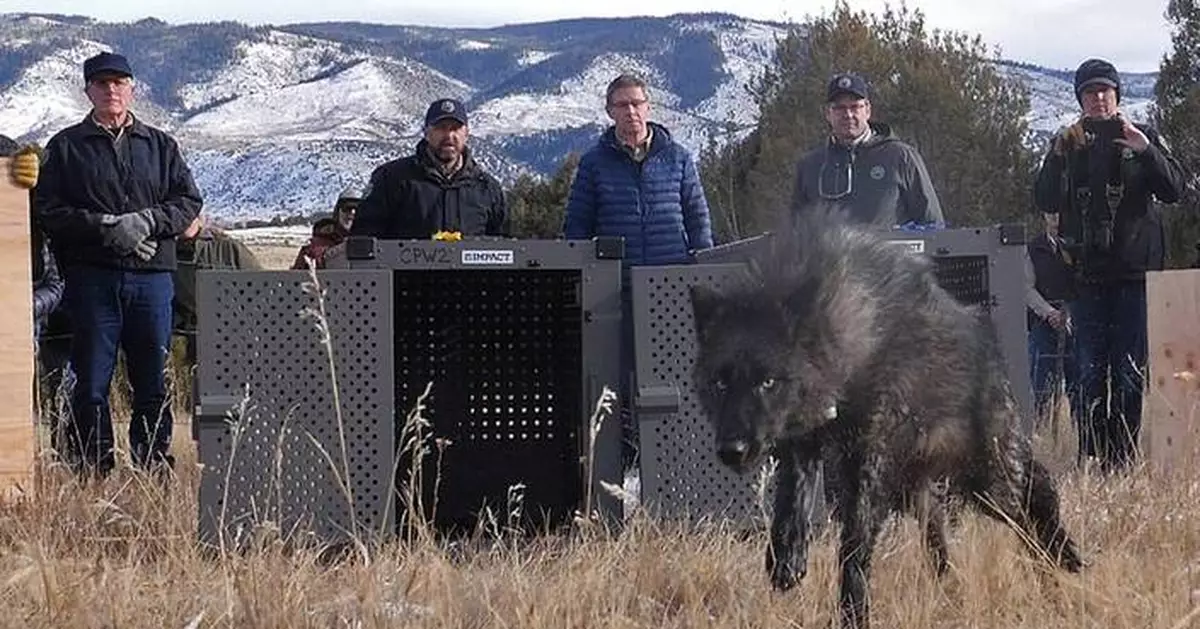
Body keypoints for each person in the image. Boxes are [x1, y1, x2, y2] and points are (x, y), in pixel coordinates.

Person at [34, 51, 204, 478]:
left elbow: (188, 202)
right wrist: (106, 228)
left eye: (119, 82)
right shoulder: (66, 146)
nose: (111, 90)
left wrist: (147, 222)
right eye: (102, 83)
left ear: (132, 88)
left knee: (152, 380)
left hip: (152, 281)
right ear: (88, 90)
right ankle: (93, 467)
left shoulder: (161, 145)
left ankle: (153, 466)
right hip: (92, 279)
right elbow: (49, 211)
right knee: (91, 380)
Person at [1033, 57, 1185, 472]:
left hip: (1134, 276)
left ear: (1117, 96)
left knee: (1130, 372)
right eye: (1089, 92)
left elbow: (1175, 189)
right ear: (1080, 99)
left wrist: (1146, 150)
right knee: (1087, 372)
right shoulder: (1068, 143)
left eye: (1105, 91)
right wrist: (1055, 157)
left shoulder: (1143, 136)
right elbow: (1045, 200)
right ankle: (1091, 456)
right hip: (1085, 278)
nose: (1098, 99)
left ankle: (1123, 459)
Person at [563, 72, 715, 469]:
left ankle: (680, 460)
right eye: (621, 105)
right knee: (624, 379)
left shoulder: (678, 157)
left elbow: (698, 218)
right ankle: (628, 464)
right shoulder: (594, 164)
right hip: (619, 290)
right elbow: (577, 226)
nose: (630, 111)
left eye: (637, 103)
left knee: (679, 375)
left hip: (672, 287)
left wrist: (702, 269)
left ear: (649, 106)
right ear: (609, 112)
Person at [789, 72, 944, 228]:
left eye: (855, 107)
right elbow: (795, 232)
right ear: (828, 114)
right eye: (839, 108)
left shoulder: (901, 157)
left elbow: (933, 225)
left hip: (887, 252)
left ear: (868, 110)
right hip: (828, 253)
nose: (848, 115)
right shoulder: (809, 166)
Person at [351, 98, 508, 239]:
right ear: (426, 133)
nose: (449, 135)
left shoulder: (487, 188)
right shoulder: (391, 179)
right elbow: (364, 238)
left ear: (466, 134)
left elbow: (503, 246)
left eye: (455, 128)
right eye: (441, 128)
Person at [1025, 212, 1077, 428]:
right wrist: (1049, 313)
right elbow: (1026, 287)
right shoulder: (1032, 248)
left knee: (1078, 386)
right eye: (1051, 214)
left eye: (1059, 213)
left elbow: (1083, 283)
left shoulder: (1077, 245)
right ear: (1044, 217)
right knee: (1040, 386)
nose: (1056, 219)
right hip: (1043, 324)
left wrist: (1070, 315)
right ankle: (1039, 436)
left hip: (1075, 324)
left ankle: (1080, 436)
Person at [292, 184, 362, 270]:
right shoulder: (313, 248)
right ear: (337, 212)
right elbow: (295, 279)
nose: (352, 213)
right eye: (347, 208)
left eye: (358, 209)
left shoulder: (375, 243)